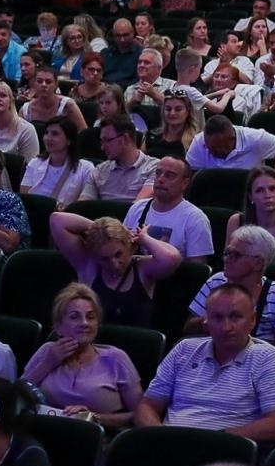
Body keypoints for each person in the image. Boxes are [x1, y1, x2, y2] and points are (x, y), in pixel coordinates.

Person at [137, 284, 275, 442]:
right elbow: (147, 406)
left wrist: (212, 441)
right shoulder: (184, 349)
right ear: (206, 321)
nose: (226, 327)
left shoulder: (268, 358)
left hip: (225, 449)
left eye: (235, 317)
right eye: (217, 318)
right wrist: (159, 437)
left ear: (252, 320)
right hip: (168, 445)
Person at [22, 283, 144, 430]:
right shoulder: (47, 351)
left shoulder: (117, 358)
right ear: (58, 326)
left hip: (101, 438)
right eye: (75, 317)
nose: (84, 323)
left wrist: (93, 417)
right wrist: (48, 363)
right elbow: (17, 396)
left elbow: (141, 415)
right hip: (44, 433)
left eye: (90, 317)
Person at [50, 211, 181, 327]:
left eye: (118, 254)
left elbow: (172, 258)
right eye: (105, 259)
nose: (115, 264)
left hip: (134, 345)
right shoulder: (88, 265)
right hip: (97, 344)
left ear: (128, 245)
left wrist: (144, 239)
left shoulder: (142, 268)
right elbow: (57, 220)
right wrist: (100, 230)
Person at [187, 226, 275, 346]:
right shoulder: (216, 281)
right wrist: (204, 323)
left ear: (258, 263)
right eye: (227, 253)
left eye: (236, 255)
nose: (226, 259)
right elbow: (188, 329)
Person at [20, 117, 94, 206]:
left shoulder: (85, 168)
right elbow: (24, 197)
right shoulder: (35, 163)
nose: (48, 138)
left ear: (69, 140)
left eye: (55, 134)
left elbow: (84, 204)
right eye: (46, 133)